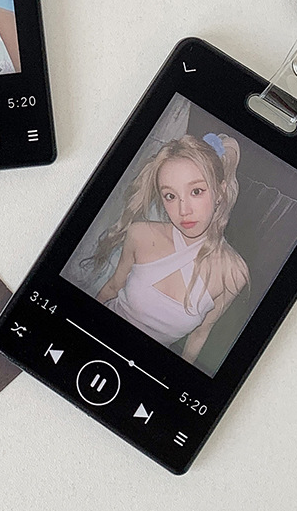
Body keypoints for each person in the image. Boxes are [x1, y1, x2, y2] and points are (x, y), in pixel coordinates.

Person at [92, 133, 249, 365]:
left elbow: (200, 333)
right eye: (170, 196)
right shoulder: (140, 234)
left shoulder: (234, 273)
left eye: (196, 191)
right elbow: (112, 287)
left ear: (221, 192)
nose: (183, 210)